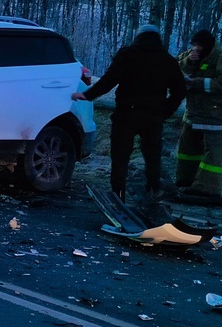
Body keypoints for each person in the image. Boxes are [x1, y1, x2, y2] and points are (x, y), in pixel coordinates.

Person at [72, 23, 186, 203]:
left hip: (126, 114)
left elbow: (109, 81)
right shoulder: (168, 60)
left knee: (120, 156)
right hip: (153, 117)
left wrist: (87, 95)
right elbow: (180, 91)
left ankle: (118, 193)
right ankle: (153, 192)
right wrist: (164, 112)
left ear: (138, 37)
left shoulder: (127, 55)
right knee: (152, 156)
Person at [175, 28, 222, 198]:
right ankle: (185, 181)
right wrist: (187, 62)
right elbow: (172, 70)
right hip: (195, 115)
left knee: (214, 155)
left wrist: (196, 83)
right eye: (194, 46)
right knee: (188, 150)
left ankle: (206, 188)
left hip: (221, 116)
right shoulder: (190, 55)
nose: (196, 49)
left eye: (199, 46)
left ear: (208, 46)